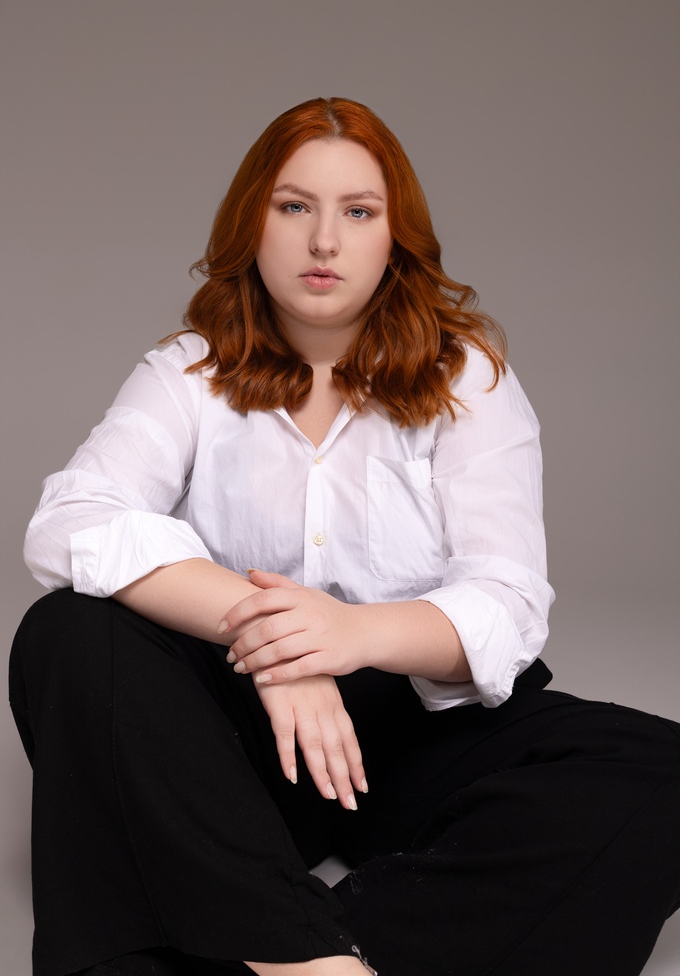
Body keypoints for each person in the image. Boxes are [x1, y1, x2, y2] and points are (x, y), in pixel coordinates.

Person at [9, 96, 680, 976]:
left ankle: (271, 935)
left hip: (419, 727)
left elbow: (508, 605)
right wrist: (275, 641)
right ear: (252, 223)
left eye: (358, 212)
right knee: (66, 632)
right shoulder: (189, 370)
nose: (324, 241)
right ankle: (306, 960)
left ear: (395, 237)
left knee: (660, 773)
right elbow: (70, 521)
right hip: (247, 735)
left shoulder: (466, 376)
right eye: (295, 207)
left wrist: (350, 635)